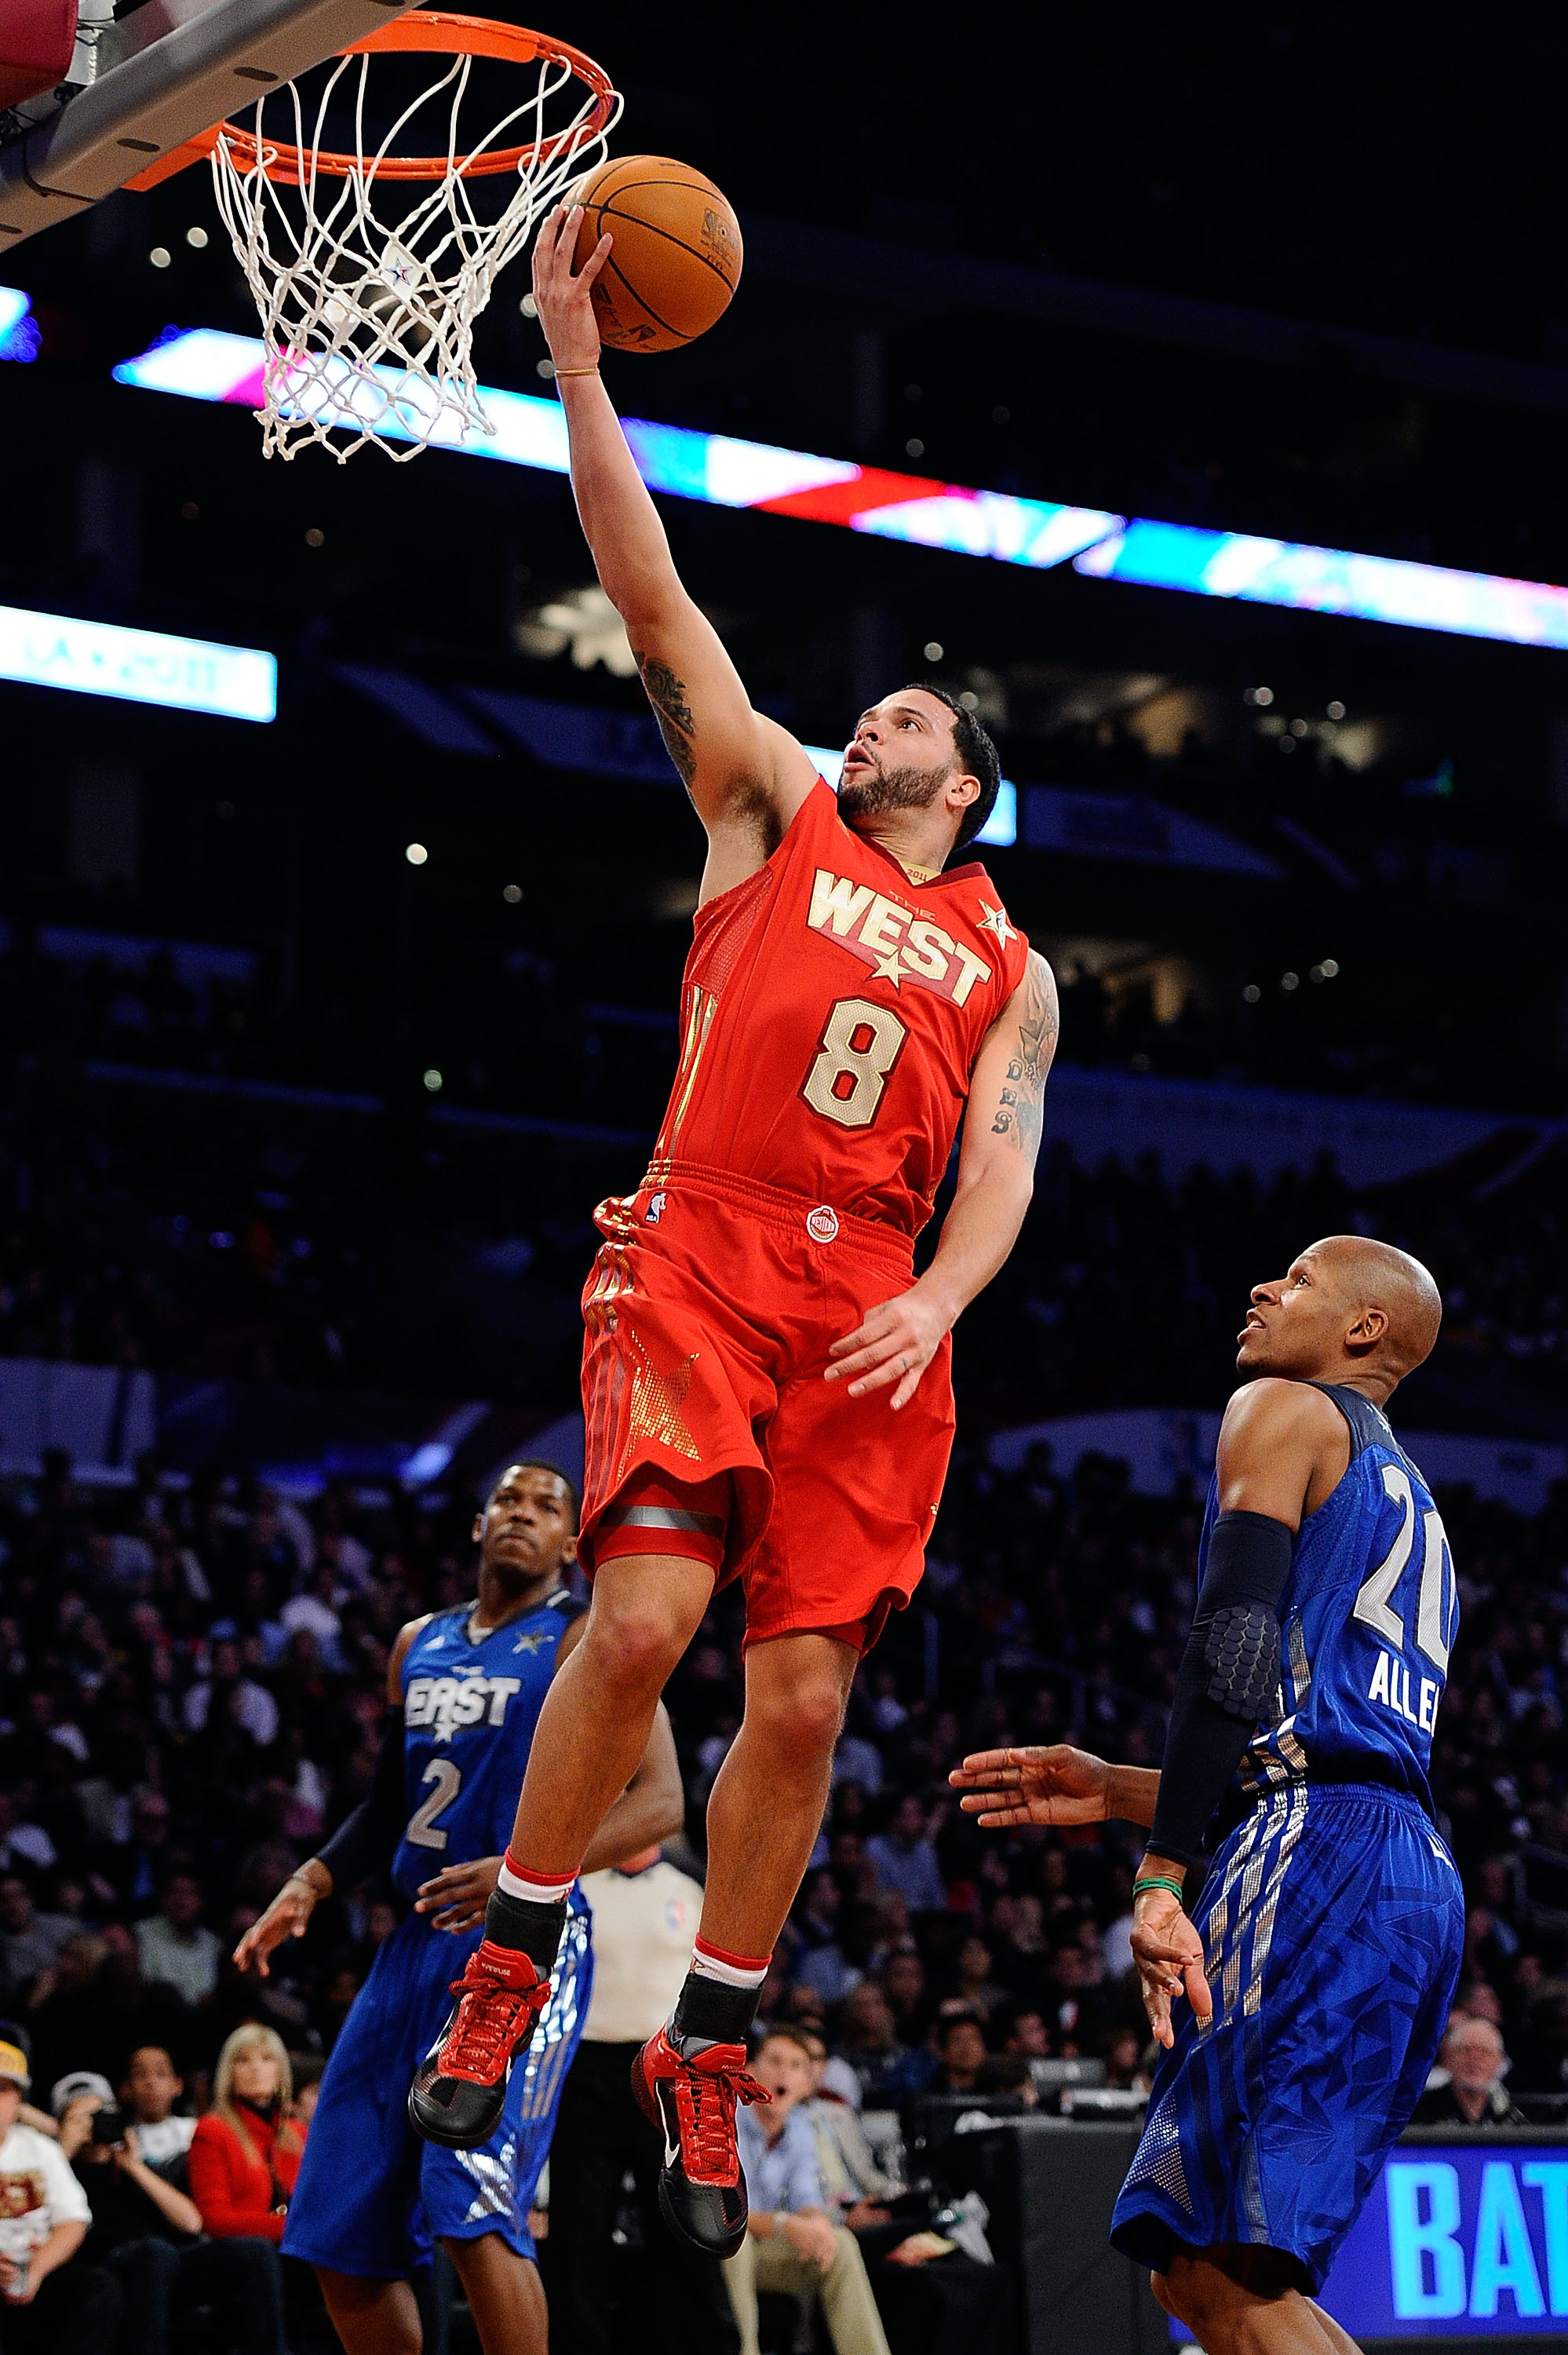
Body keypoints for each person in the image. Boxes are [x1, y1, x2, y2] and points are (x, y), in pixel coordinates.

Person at [410, 199, 1059, 2273]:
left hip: (871, 1310)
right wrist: (583, 374)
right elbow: (650, 588)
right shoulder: (764, 805)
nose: (865, 722)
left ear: (966, 786)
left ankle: (713, 2034)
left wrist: (939, 1305)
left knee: (795, 1711)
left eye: (906, 724)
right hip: (695, 1246)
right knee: (636, 1630)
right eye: (862, 712)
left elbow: (1003, 1164)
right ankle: (515, 1956)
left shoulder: (1010, 961)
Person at [952, 1236, 1463, 2355]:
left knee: (1214, 2269)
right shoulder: (1407, 1494)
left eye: (1296, 1280)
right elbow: (1323, 1746)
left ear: (1362, 1330)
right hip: (1394, 1862)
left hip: (1314, 1858)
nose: (1261, 1290)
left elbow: (1226, 1650)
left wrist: (1160, 1875)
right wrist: (1121, 1788)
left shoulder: (1283, 1409)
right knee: (1205, 2274)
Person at [235, 1462, 684, 2355]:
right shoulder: (419, 1642)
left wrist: (525, 1873)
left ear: (572, 1544)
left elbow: (663, 1799)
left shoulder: (588, 1635)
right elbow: (388, 1801)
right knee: (336, 2223)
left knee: (470, 2199)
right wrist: (311, 1882)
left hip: (526, 1943)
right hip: (412, 1945)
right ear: (479, 1524)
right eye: (508, 1501)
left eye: (546, 1507)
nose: (522, 1514)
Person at [544, 1842, 738, 2355]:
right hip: (585, 2067)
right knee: (579, 2230)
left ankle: (699, 2346)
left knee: (682, 2226)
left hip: (670, 2073)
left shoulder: (689, 1884)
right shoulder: (577, 1884)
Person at [56, 2066, 286, 2355]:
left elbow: (191, 2222)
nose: (94, 2124)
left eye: (102, 2113)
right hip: (104, 2270)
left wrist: (135, 2167)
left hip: (163, 2267)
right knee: (154, 2252)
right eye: (82, 2117)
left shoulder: (133, 2167)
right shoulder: (56, 2168)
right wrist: (62, 2149)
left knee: (255, 2251)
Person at [726, 2030, 892, 2355]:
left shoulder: (801, 2126)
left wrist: (816, 2224)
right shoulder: (728, 2118)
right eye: (774, 2061)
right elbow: (726, 2217)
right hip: (719, 2253)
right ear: (750, 2071)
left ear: (806, 2085)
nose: (784, 2073)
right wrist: (785, 2225)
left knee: (840, 2242)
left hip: (767, 2253)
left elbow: (806, 2200)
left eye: (796, 2066)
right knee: (737, 2246)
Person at [0, 2025, 122, 2355]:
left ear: (19, 2102)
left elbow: (72, 2221)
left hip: (34, 2266)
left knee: (100, 2288)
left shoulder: (41, 2150)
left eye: (3, 2090)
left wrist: (36, 2270)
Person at [188, 2025, 304, 2243]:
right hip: (245, 2254)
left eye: (267, 2059)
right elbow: (216, 2221)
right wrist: (296, 2230)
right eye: (243, 2060)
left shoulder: (297, 2133)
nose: (256, 2068)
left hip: (297, 2248)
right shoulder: (212, 2130)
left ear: (280, 2071)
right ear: (229, 2073)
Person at [1411, 2015, 1526, 2127]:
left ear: (1498, 2062)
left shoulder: (1507, 2114)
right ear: (1449, 2058)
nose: (1474, 2060)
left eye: (1484, 2052)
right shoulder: (1422, 2110)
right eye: (1466, 2050)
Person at [134, 1871, 222, 2009]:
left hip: (204, 2019)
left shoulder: (213, 1944)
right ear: (163, 1898)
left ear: (200, 1901)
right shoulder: (143, 1933)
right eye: (174, 1891)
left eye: (188, 1892)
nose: (181, 1899)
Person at [119, 2044, 197, 2171]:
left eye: (161, 2073)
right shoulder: (119, 2140)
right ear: (126, 2087)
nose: (150, 2082)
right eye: (139, 2074)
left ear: (178, 2085)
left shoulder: (194, 2130)